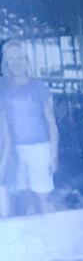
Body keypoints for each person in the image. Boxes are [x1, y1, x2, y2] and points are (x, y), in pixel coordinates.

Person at [0, 41, 58, 216]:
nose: (15, 62)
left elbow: (51, 123)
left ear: (26, 60)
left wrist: (54, 154)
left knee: (43, 197)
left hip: (40, 148)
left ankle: (53, 233)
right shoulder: (3, 87)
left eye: (19, 57)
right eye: (11, 59)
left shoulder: (39, 87)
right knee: (25, 197)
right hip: (15, 151)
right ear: (6, 62)